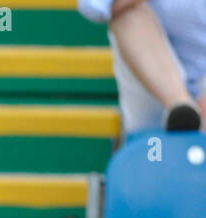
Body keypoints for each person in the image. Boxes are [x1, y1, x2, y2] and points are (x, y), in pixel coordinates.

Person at [79, 0, 206, 132]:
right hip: (150, 83)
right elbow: (94, 8)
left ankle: (185, 112)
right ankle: (181, 106)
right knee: (129, 15)